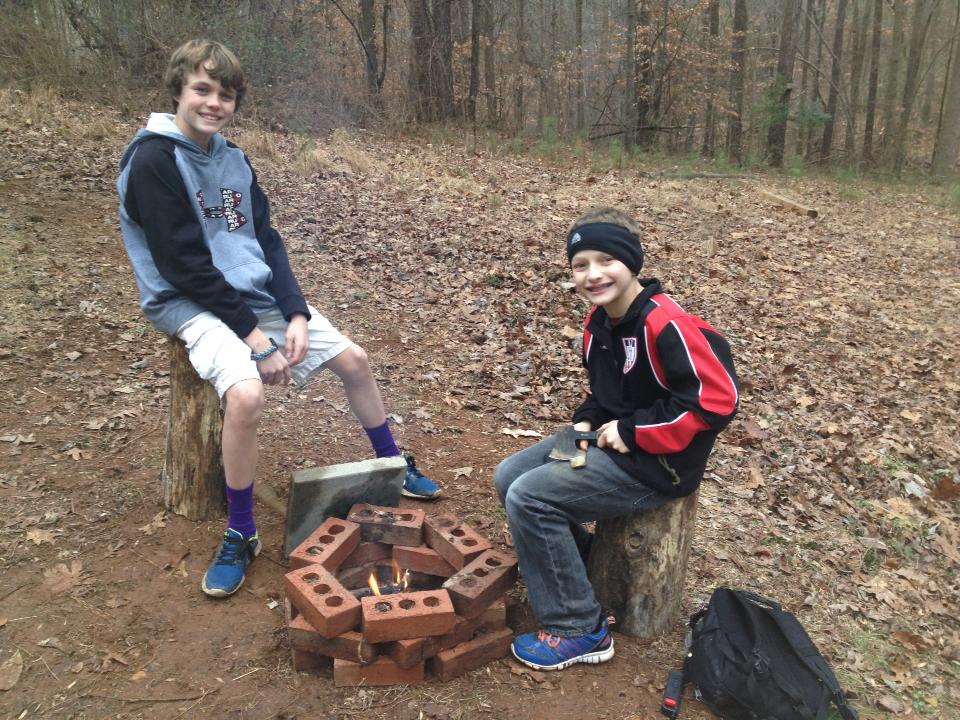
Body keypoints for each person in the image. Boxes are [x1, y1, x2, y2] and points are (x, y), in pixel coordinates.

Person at [117, 39, 440, 599]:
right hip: (188, 300)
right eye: (202, 90)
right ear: (178, 92)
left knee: (355, 361)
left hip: (254, 294)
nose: (214, 103)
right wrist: (255, 341)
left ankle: (391, 460)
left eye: (225, 94)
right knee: (245, 396)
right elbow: (184, 265)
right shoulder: (152, 160)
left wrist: (291, 310)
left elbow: (265, 239)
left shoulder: (233, 158)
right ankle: (242, 530)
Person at [494, 207, 739, 671]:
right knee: (510, 476)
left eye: (606, 260)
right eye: (580, 264)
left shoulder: (666, 324)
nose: (593, 274)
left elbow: (716, 401)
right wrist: (585, 422)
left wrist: (633, 433)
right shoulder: (598, 324)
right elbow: (606, 396)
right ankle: (577, 574)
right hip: (610, 440)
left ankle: (578, 627)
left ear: (632, 262)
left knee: (531, 497)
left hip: (658, 464)